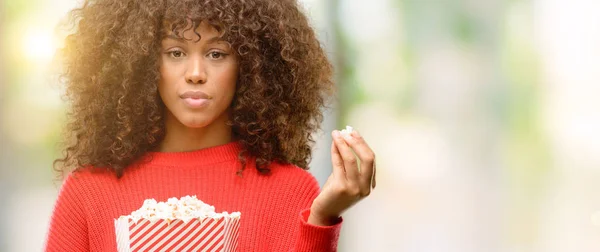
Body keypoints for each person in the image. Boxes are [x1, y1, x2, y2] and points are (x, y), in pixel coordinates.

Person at [45, 0, 376, 251]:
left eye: (217, 54)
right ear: (144, 62)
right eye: (175, 52)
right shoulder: (88, 191)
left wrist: (321, 220)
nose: (195, 72)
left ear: (250, 64)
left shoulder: (292, 190)